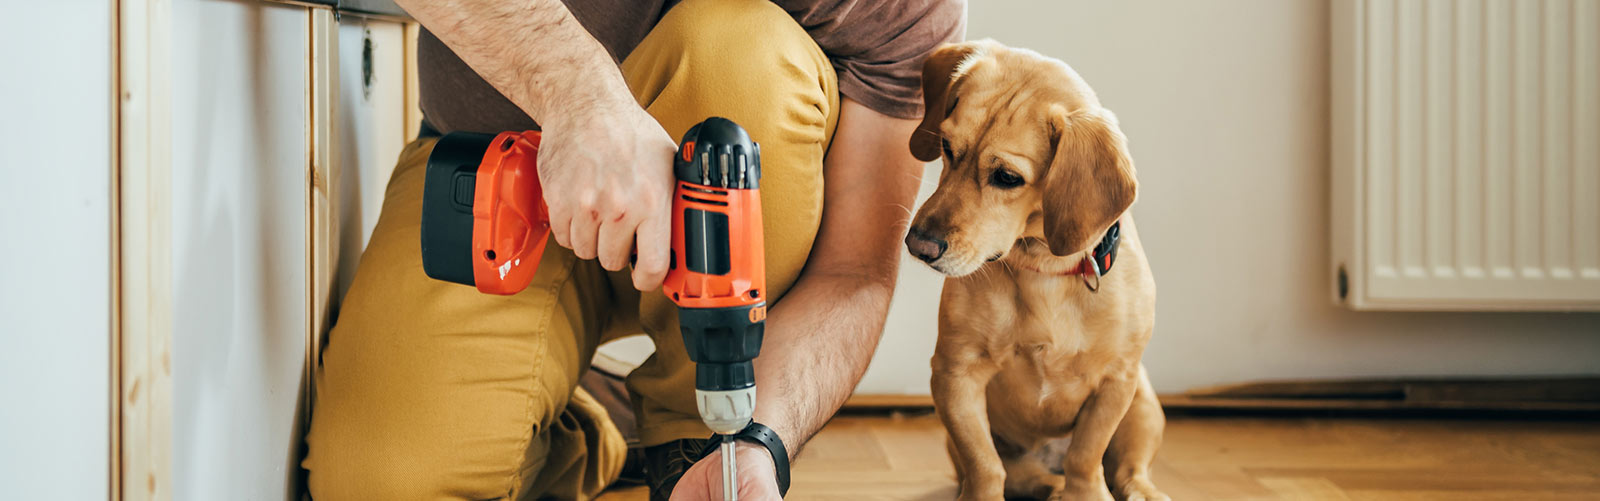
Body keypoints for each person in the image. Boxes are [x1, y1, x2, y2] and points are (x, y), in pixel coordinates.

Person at [302, 0, 964, 499]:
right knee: (382, 477)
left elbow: (853, 272)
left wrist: (765, 434)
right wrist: (578, 96)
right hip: (499, 166)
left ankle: (696, 434)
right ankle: (598, 421)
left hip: (714, 165)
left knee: (738, 53)